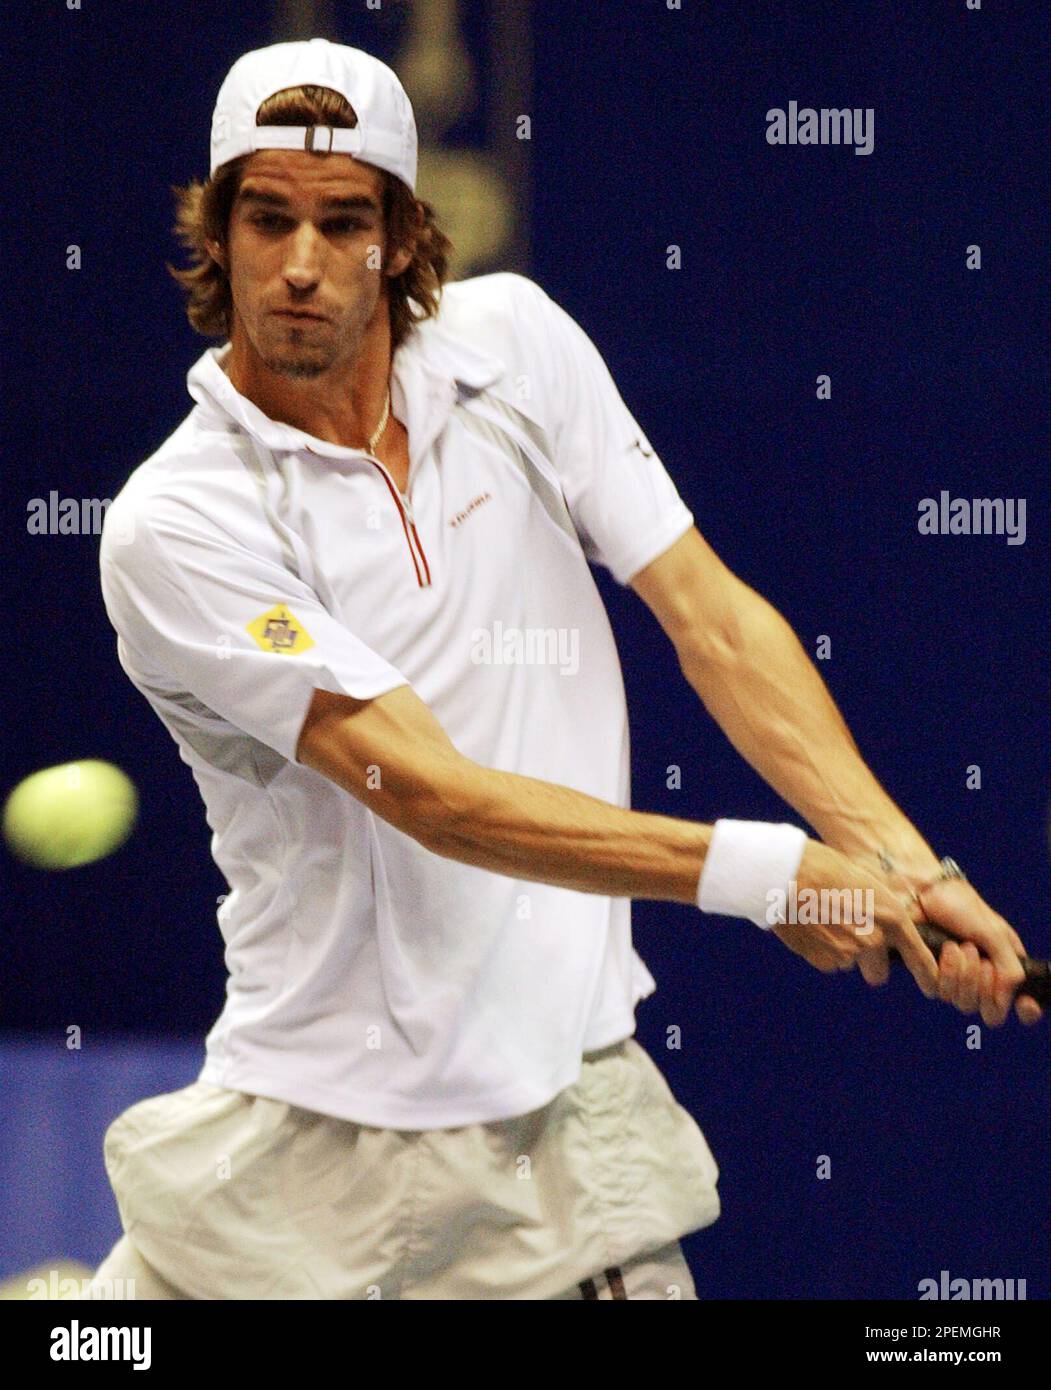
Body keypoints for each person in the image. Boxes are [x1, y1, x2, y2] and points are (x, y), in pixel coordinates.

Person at [90, 38, 1041, 1302]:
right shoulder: (181, 521)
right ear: (217, 232)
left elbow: (709, 618)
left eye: (342, 221)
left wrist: (902, 867)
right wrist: (770, 877)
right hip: (299, 1164)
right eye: (266, 220)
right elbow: (429, 793)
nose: (303, 265)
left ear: (401, 236)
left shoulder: (517, 349)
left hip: (563, 1148)